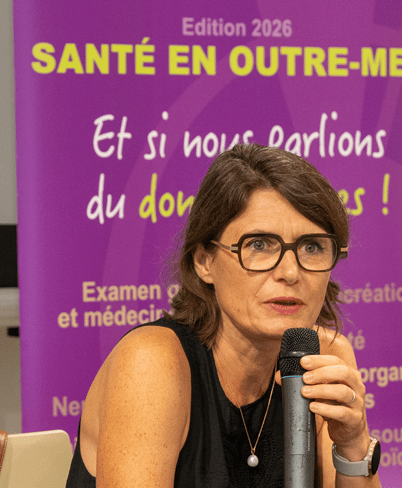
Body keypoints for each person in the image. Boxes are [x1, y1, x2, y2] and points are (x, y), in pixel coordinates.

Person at [66, 144, 381, 487]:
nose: (290, 272)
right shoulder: (151, 363)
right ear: (204, 261)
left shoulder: (324, 356)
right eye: (259, 245)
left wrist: (353, 443)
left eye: (312, 246)